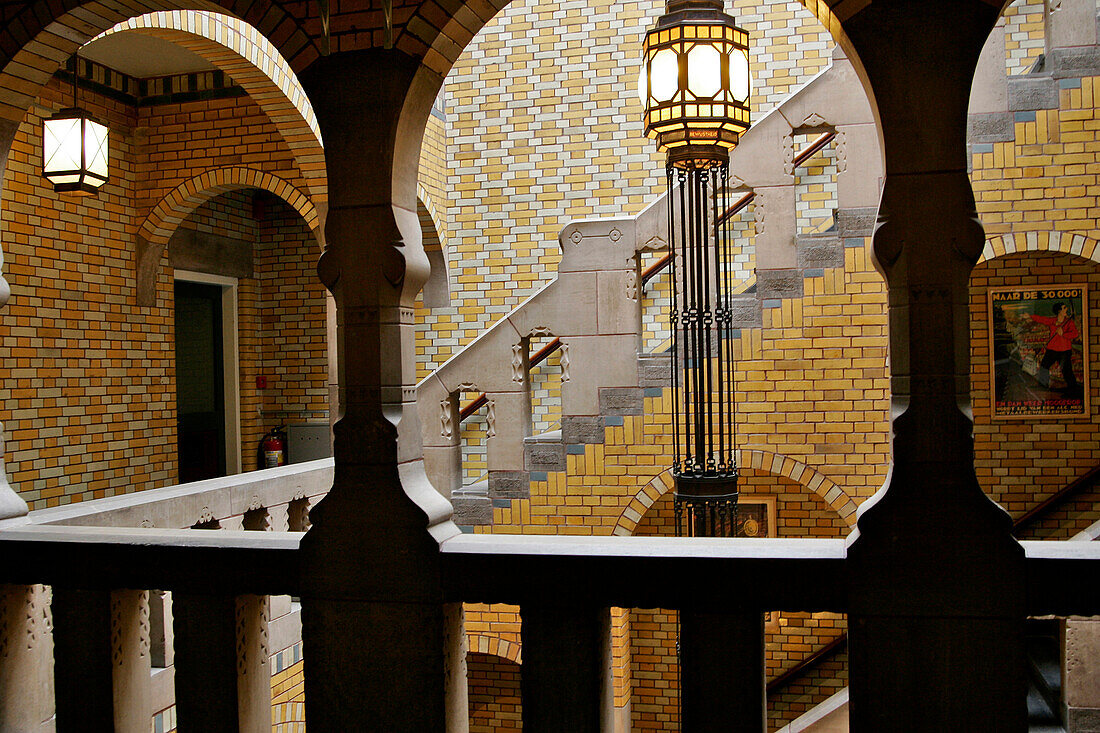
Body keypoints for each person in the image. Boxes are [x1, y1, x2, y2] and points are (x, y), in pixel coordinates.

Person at [1030, 302, 1081, 392]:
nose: (1066, 310)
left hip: (1064, 351)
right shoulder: (1052, 321)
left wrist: (1063, 334)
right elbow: (1042, 319)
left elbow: (1075, 334)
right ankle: (1043, 385)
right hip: (1052, 350)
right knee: (1044, 366)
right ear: (1059, 311)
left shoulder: (1069, 322)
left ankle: (1073, 389)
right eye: (1064, 308)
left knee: (1067, 371)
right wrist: (1030, 316)